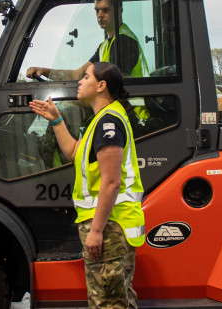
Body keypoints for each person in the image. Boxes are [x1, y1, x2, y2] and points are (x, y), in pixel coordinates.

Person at [29, 62, 145, 309]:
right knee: (115, 299)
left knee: (108, 302)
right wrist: (57, 120)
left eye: (85, 77)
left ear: (101, 86)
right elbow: (73, 153)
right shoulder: (98, 120)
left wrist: (96, 230)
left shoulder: (108, 124)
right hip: (108, 224)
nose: (80, 82)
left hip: (111, 226)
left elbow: (112, 183)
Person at [26, 0, 148, 81]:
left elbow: (117, 85)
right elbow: (77, 74)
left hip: (130, 112)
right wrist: (43, 71)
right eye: (97, 10)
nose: (100, 15)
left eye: (105, 10)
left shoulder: (124, 41)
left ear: (119, 11)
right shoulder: (104, 46)